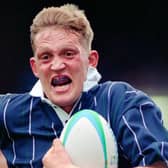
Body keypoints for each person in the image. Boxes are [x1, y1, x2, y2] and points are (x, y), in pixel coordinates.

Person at [0, 3, 168, 168]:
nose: (57, 65)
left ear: (91, 60)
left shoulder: (122, 102)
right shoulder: (9, 111)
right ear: (35, 67)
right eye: (46, 56)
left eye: (68, 54)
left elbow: (158, 164)